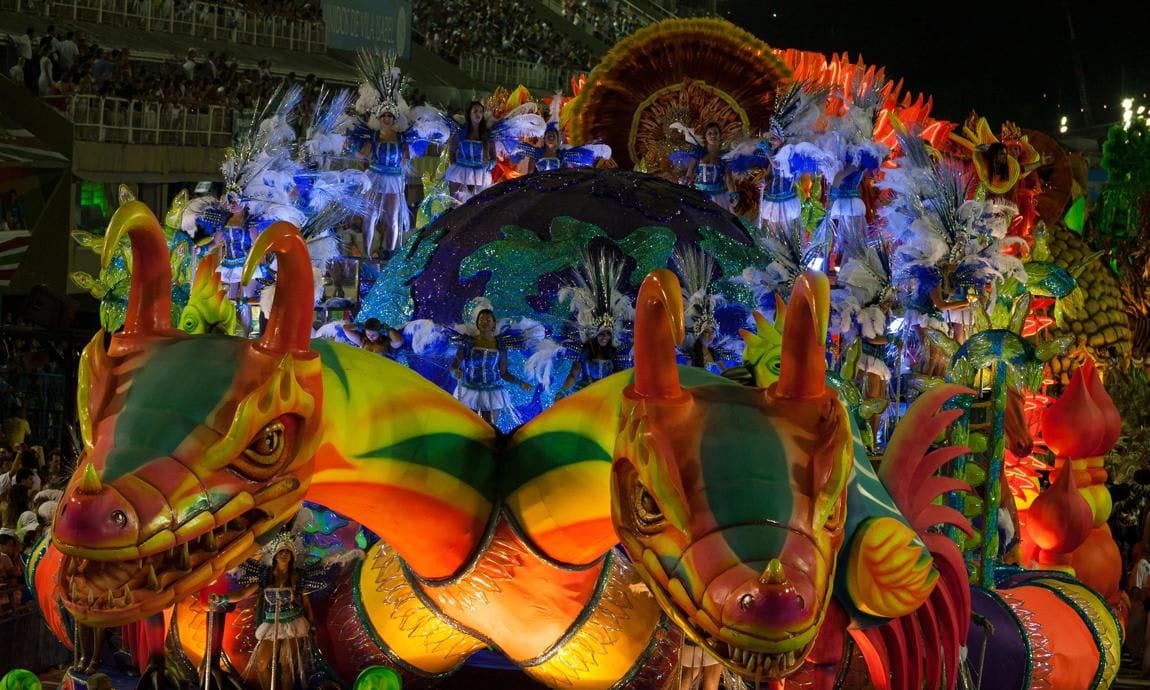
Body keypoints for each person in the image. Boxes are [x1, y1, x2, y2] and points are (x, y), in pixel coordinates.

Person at [211, 537, 317, 690]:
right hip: (270, 623)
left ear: (292, 556)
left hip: (292, 623)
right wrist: (222, 598)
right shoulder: (265, 576)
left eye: (288, 552)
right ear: (275, 554)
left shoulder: (297, 577)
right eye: (281, 551)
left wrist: (311, 622)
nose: (284, 554)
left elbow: (306, 603)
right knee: (261, 663)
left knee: (286, 664)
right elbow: (243, 593)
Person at [450, 304, 533, 426]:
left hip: (492, 393)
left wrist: (520, 383)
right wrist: (455, 372)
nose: (485, 322)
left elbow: (504, 373)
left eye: (488, 320)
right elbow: (454, 366)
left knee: (490, 427)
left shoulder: (500, 345)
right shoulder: (467, 342)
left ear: (494, 324)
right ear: (477, 323)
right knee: (469, 425)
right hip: (470, 391)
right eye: (481, 319)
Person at [446, 101, 495, 203]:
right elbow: (452, 151)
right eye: (475, 111)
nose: (478, 114)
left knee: (477, 209)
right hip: (459, 173)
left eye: (481, 111)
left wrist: (489, 165)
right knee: (456, 208)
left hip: (480, 175)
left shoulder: (487, 134)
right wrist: (456, 166)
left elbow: (494, 157)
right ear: (469, 114)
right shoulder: (460, 132)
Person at [339, 318, 403, 356]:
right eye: (368, 334)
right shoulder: (363, 341)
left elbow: (398, 342)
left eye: (373, 335)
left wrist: (387, 329)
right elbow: (346, 328)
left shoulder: (386, 343)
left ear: (380, 333)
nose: (370, 337)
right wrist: (362, 325)